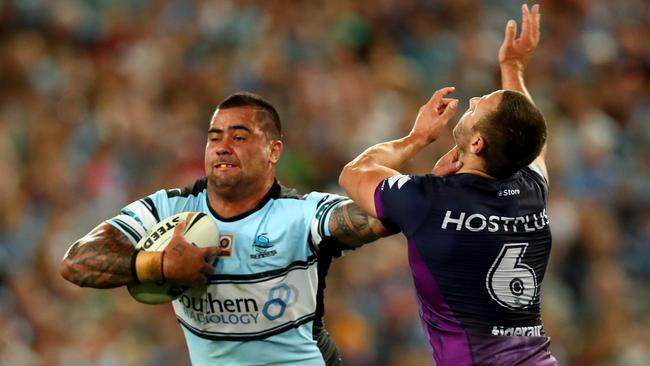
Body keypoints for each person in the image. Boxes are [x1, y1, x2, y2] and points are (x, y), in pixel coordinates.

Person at [60, 92, 395, 365]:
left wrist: (426, 191)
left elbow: (373, 219)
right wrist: (158, 264)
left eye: (239, 136)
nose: (222, 146)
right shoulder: (168, 210)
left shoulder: (300, 214)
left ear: (273, 151)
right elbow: (76, 261)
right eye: (214, 137)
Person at [339, 4, 558, 366]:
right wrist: (512, 68)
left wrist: (416, 139)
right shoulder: (531, 189)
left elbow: (355, 172)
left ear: (477, 144)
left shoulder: (427, 200)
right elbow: (535, 141)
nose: (471, 101)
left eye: (477, 108)